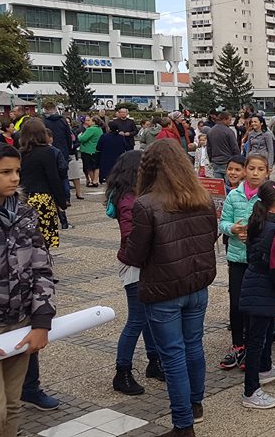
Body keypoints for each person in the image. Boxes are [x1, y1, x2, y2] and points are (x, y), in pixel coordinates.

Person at [124, 139, 218, 436]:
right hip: (196, 285)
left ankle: (183, 424)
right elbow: (211, 237)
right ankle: (196, 404)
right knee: (193, 346)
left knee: (173, 355)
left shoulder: (146, 203)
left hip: (163, 290)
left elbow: (134, 255)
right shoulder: (202, 196)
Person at [0, 140, 56, 437]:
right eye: (5, 172)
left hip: (20, 325)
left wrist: (42, 320)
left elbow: (42, 267)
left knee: (12, 406)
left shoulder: (24, 213)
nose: (15, 178)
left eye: (17, 171)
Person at [107, 151, 164, 396]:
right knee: (137, 319)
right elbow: (131, 239)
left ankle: (154, 361)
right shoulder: (129, 201)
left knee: (148, 315)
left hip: (142, 262)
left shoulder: (133, 196)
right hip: (135, 264)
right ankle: (122, 371)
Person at [240, 181, 275, 409]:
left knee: (267, 328)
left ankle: (266, 367)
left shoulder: (260, 222)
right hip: (263, 286)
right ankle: (250, 391)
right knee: (256, 340)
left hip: (256, 281)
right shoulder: (273, 229)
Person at [218, 154, 271, 371]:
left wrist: (254, 235)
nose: (255, 173)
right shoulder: (234, 195)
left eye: (260, 169)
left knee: (255, 304)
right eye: (251, 169)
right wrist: (233, 229)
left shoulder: (268, 196)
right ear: (245, 170)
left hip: (259, 260)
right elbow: (223, 222)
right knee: (237, 302)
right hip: (237, 258)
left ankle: (253, 344)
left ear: (267, 172)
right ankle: (238, 344)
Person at [19, 119, 66, 250]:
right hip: (42, 197)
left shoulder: (20, 153)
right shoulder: (47, 152)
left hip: (23, 197)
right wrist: (61, 200)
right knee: (44, 236)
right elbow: (53, 177)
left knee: (27, 236)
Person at [207, 112, 240, 180]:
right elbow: (234, 147)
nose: (230, 122)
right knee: (229, 183)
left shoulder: (210, 131)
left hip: (215, 161)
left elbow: (209, 148)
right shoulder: (229, 131)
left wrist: (211, 159)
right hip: (227, 161)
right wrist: (237, 160)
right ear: (224, 120)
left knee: (219, 185)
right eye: (229, 120)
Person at [79, 116, 103, 187]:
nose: (88, 122)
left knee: (89, 167)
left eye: (90, 120)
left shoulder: (91, 129)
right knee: (96, 166)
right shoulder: (99, 129)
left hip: (88, 150)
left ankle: (93, 181)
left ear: (94, 122)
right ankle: (96, 180)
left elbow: (82, 139)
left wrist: (80, 135)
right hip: (96, 149)